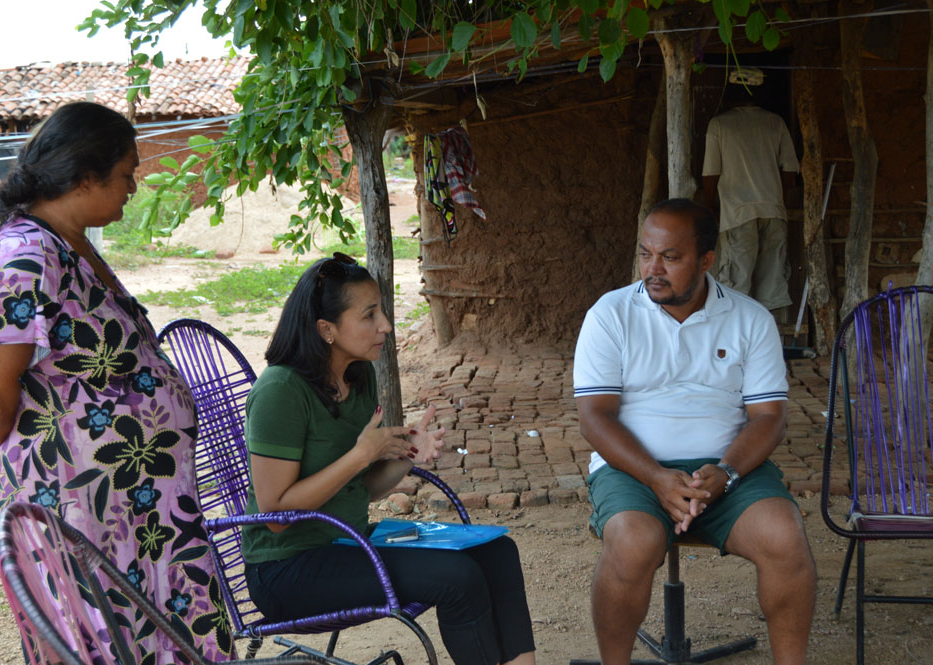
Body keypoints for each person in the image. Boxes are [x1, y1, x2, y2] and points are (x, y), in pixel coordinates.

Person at [0, 102, 235, 663]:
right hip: (83, 507)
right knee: (108, 638)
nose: (134, 186)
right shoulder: (25, 255)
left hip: (133, 507)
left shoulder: (67, 244)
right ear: (85, 177)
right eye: (126, 173)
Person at [241, 253, 536, 665]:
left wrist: (406, 454)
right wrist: (361, 454)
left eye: (381, 310)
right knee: (458, 577)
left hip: (348, 544)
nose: (386, 325)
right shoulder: (281, 392)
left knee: (498, 553)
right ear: (326, 329)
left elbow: (360, 488)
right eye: (369, 315)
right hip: (287, 569)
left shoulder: (359, 376)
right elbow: (274, 515)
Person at [573, 199, 815, 665]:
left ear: (706, 260)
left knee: (785, 538)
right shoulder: (610, 314)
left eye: (670, 257)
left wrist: (726, 472)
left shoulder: (750, 319)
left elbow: (770, 418)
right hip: (633, 470)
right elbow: (595, 417)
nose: (653, 269)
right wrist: (656, 477)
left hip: (729, 470)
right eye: (646, 254)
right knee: (632, 542)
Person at [702, 72, 800, 311]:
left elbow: (711, 173)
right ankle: (769, 330)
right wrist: (778, 197)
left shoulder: (720, 124)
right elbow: (790, 170)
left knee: (736, 285)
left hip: (738, 214)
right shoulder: (775, 122)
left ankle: (737, 333)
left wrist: (709, 206)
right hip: (773, 212)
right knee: (772, 287)